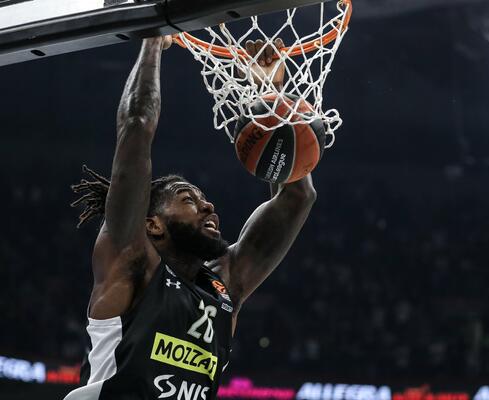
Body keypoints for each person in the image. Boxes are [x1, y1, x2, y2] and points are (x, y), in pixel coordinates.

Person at [65, 35, 316, 400]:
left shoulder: (223, 286)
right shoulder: (131, 262)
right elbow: (136, 125)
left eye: (205, 200)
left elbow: (297, 195)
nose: (208, 207)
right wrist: (152, 40)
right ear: (152, 224)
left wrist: (270, 95)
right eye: (188, 199)